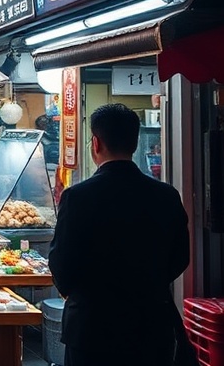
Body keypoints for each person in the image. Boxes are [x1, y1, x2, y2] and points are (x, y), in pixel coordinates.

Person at [48, 104, 189, 366]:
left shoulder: (78, 197)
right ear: (135, 143)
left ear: (96, 143)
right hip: (151, 325)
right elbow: (180, 258)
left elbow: (61, 263)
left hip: (91, 328)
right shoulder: (166, 196)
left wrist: (78, 292)